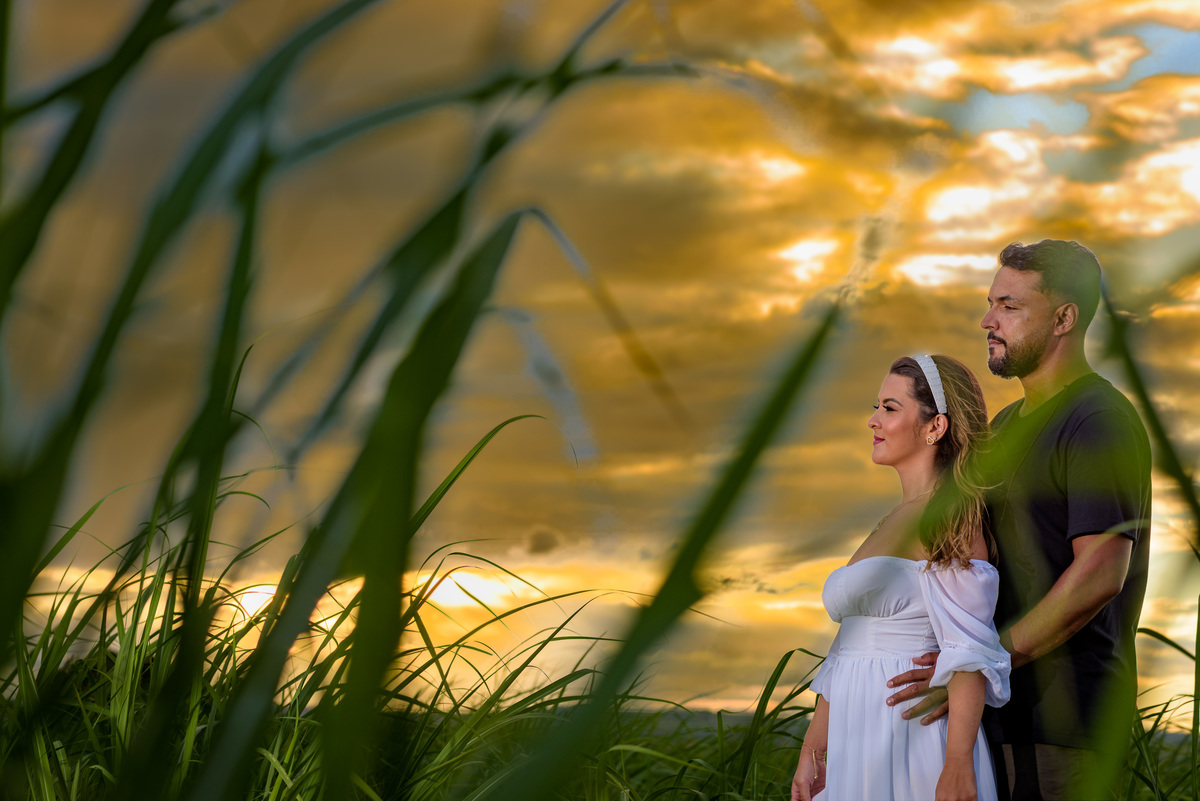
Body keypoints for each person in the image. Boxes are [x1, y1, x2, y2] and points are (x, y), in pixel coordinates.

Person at [885, 240, 1152, 799]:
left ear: (1063, 319)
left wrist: (988, 661)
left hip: (1065, 730)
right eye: (990, 304)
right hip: (988, 721)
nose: (988, 321)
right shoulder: (1004, 428)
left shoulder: (1098, 419)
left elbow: (1101, 572)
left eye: (1009, 306)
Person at [792, 354, 1011, 801]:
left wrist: (957, 765)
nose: (873, 420)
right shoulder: (890, 520)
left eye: (889, 408)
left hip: (911, 735)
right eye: (876, 407)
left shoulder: (949, 516)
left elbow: (968, 652)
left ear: (935, 426)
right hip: (856, 736)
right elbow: (847, 648)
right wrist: (813, 749)